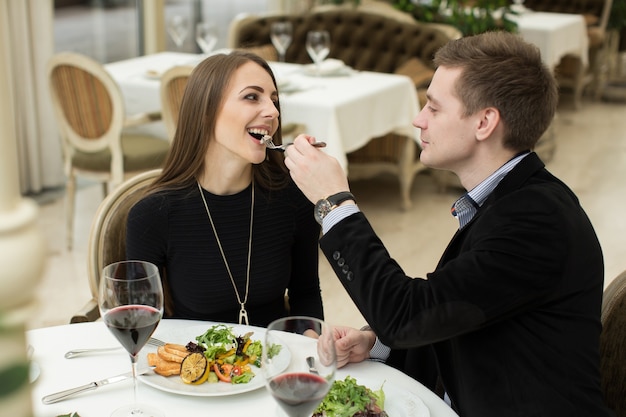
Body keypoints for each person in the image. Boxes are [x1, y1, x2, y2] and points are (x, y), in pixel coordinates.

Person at [284, 31, 612, 416]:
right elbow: (450, 311)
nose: (418, 119)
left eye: (434, 108)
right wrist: (375, 342)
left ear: (485, 122)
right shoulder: (512, 200)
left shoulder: (537, 221)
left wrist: (335, 202)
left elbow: (405, 315)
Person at [126, 51, 324, 327]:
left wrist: (312, 346)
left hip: (275, 360)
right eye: (252, 96)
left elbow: (306, 294)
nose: (273, 111)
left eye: (274, 100)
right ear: (206, 112)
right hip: (190, 365)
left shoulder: (295, 200)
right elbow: (140, 323)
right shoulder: (152, 215)